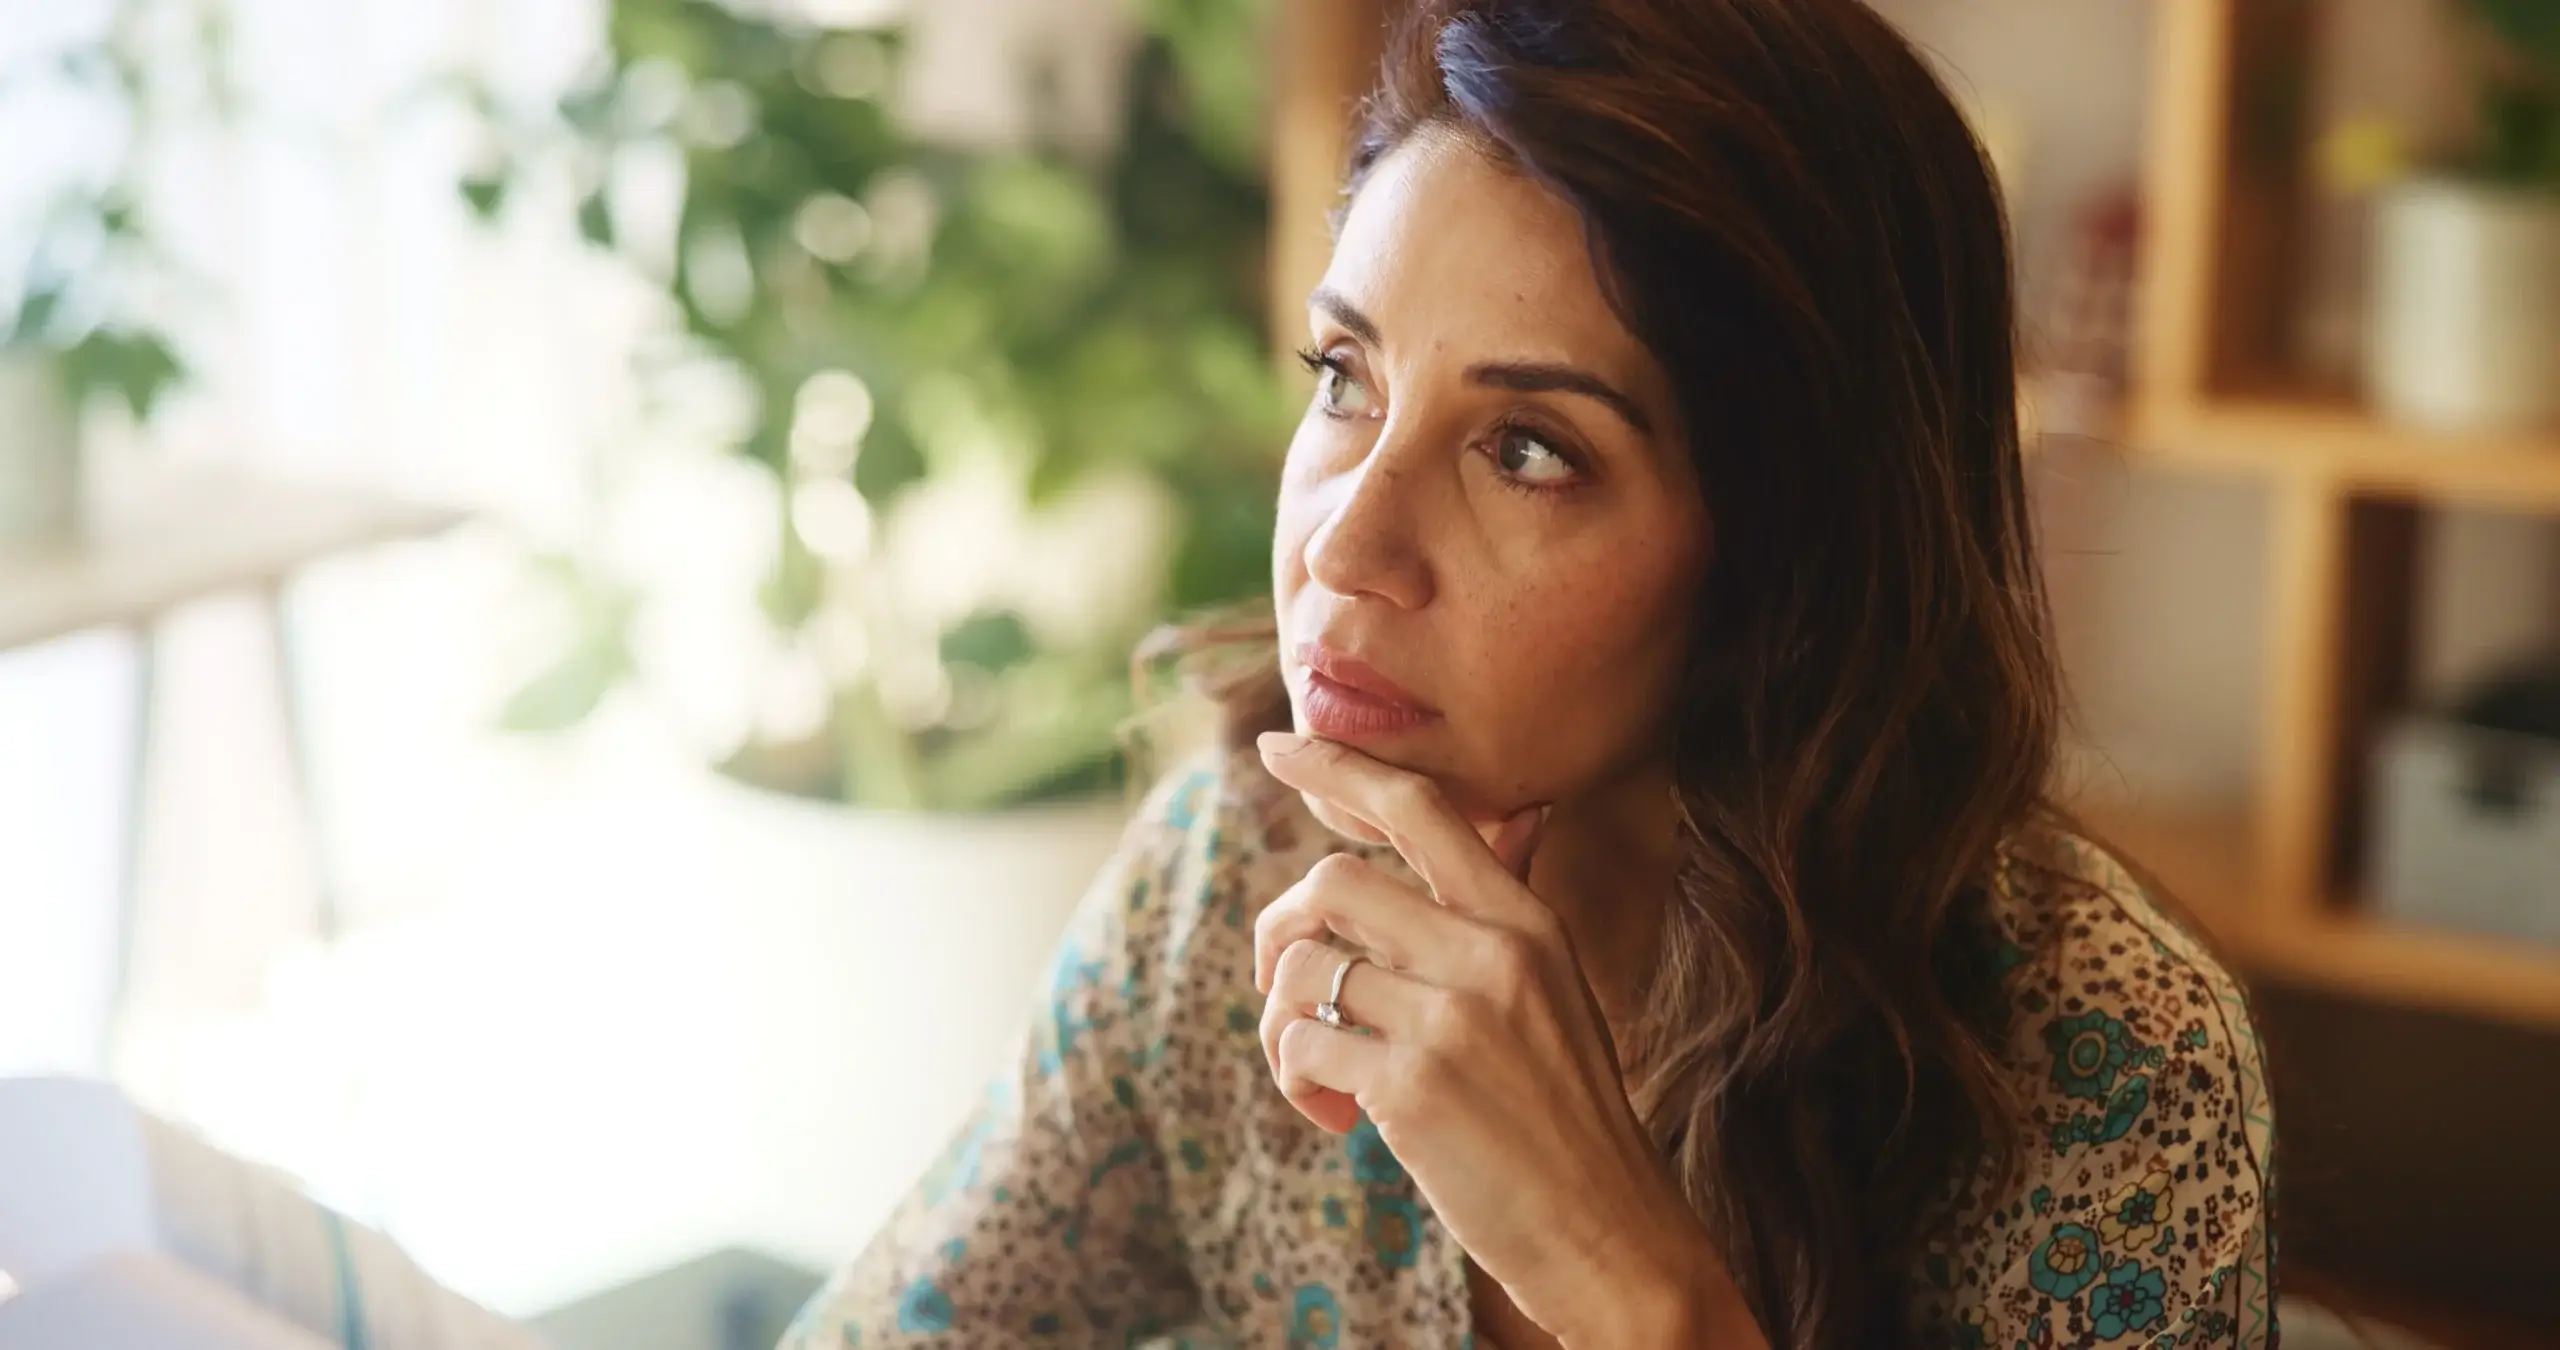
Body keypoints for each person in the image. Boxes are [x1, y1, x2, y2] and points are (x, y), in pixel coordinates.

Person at [782, 0, 2275, 1345]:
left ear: (1790, 554)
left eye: (1529, 452)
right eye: (1344, 376)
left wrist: (1636, 1288)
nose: (1347, 544)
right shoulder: (1227, 872)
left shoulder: (2102, 1070)